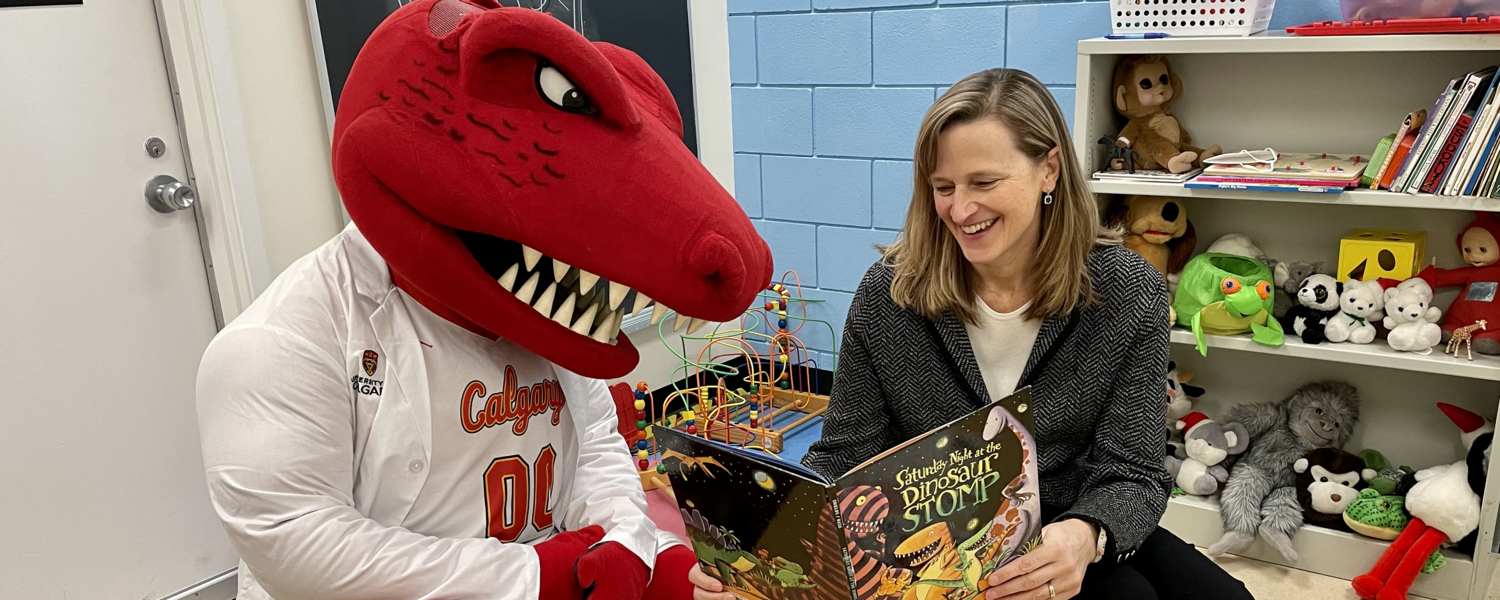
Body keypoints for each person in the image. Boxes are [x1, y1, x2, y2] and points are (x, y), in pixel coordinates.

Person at [194, 2, 771, 600]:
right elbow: (300, 546)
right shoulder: (279, 343)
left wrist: (639, 553)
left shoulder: (546, 302)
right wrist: (542, 575)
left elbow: (595, 445)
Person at [690, 69, 1253, 600]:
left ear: (1049, 170)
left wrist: (1087, 534)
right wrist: (752, 553)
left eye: (984, 182)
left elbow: (1132, 471)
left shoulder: (1128, 290)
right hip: (930, 544)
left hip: (1070, 517)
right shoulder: (889, 295)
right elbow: (843, 455)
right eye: (943, 187)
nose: (960, 210)